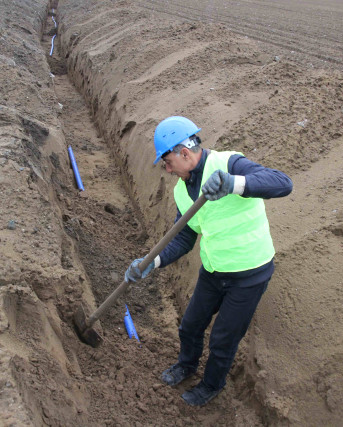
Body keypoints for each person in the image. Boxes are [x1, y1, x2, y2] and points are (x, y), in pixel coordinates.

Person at [124, 116, 292, 406]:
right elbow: (183, 238)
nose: (166, 169)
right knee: (190, 325)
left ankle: (211, 385)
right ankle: (187, 366)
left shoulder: (229, 164)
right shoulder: (181, 190)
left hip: (249, 275)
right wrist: (154, 262)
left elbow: (282, 183)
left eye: (166, 161)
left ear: (184, 153)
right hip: (214, 271)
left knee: (223, 340)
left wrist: (233, 184)